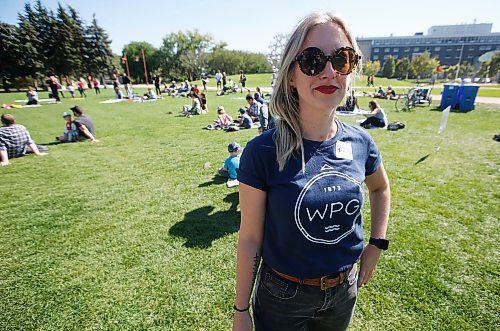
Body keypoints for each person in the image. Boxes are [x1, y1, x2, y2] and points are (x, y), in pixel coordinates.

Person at [232, 12, 391, 331]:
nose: (329, 71)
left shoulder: (361, 141)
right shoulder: (263, 152)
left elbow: (380, 188)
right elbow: (250, 238)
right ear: (291, 75)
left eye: (342, 59)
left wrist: (377, 243)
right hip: (282, 296)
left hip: (344, 290)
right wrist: (240, 310)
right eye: (313, 60)